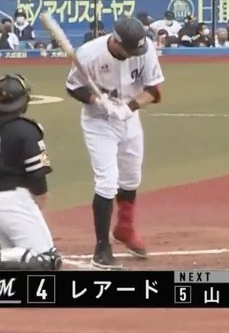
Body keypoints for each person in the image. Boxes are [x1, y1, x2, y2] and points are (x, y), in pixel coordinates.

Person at [65, 16, 165, 270]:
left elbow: (153, 92)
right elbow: (73, 87)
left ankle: (125, 228)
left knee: (131, 177)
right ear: (117, 42)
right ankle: (102, 248)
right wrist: (97, 101)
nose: (133, 54)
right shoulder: (89, 54)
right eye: (129, 50)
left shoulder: (145, 50)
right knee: (107, 182)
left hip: (129, 118)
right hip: (98, 122)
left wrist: (128, 107)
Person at [0, 73, 62, 270]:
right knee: (45, 260)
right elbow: (37, 178)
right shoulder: (25, 130)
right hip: (12, 200)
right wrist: (39, 204)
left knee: (12, 258)